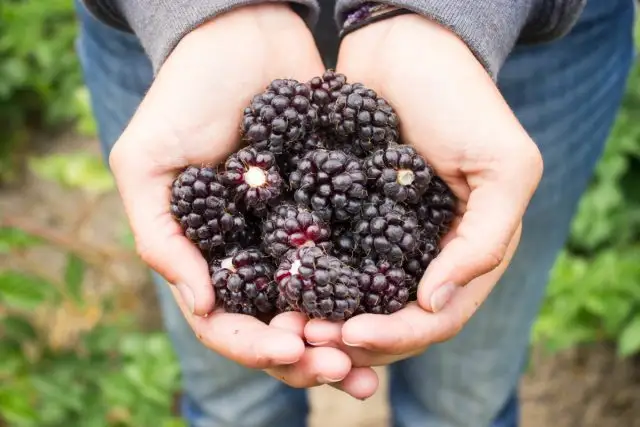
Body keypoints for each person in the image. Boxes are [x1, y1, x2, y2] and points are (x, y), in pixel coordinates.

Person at [74, 0, 636, 425]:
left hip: (522, 31)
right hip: (170, 30)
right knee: (232, 401)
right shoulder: (282, 207)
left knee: (465, 392)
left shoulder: (373, 195)